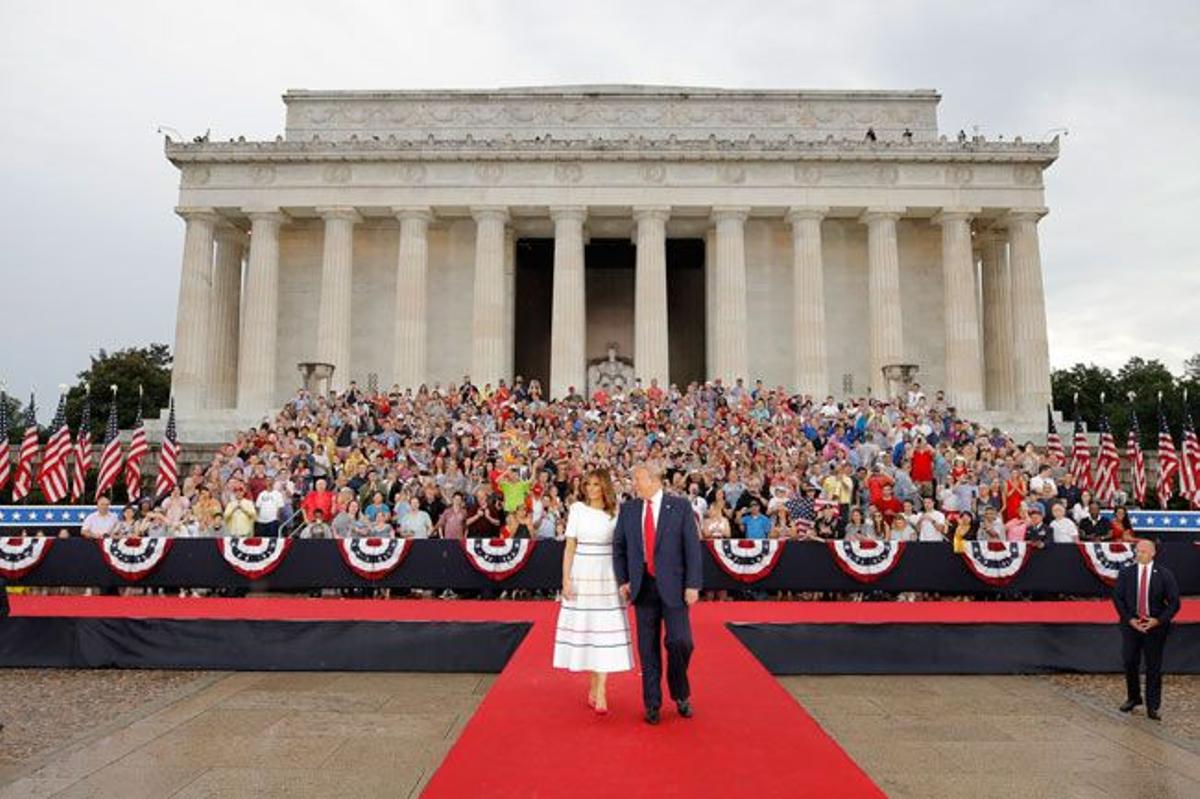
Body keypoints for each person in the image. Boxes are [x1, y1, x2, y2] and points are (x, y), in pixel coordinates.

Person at [614, 462, 702, 725]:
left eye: (637, 479)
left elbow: (692, 549)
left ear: (653, 480)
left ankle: (680, 691)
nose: (634, 484)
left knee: (680, 642)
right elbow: (619, 548)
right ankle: (652, 702)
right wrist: (623, 580)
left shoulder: (680, 507)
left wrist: (693, 584)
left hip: (675, 588)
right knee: (647, 649)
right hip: (642, 588)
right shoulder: (628, 510)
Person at [553, 469, 633, 714]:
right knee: (588, 631)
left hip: (607, 576)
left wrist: (624, 581)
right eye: (587, 485)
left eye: (596, 485)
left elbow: (623, 550)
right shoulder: (577, 509)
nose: (590, 489)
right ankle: (593, 685)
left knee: (604, 633)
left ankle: (601, 691)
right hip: (582, 573)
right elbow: (569, 547)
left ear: (604, 487)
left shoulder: (617, 513)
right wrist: (566, 579)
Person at [1113, 539, 1180, 721]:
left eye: (1143, 551)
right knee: (1129, 661)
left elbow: (1174, 603)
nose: (1139, 554)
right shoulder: (1127, 573)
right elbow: (1118, 598)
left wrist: (1158, 621)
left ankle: (1153, 705)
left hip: (1155, 627)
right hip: (1131, 626)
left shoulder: (1164, 574)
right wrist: (1130, 620)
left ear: (1152, 553)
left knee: (1153, 666)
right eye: (1137, 551)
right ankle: (1134, 697)